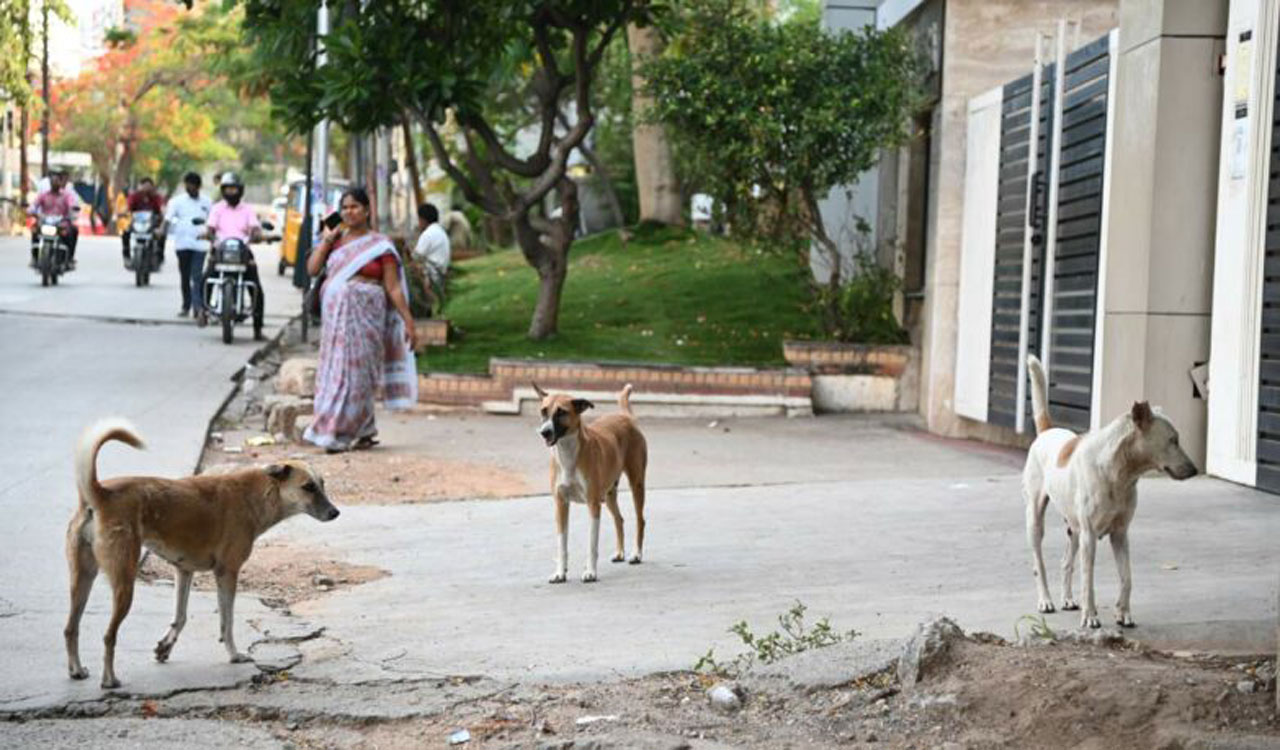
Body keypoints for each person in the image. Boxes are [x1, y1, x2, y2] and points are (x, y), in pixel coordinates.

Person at [303, 187, 419, 453]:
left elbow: (393, 288)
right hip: (336, 322)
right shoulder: (335, 240)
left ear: (367, 210)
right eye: (345, 207)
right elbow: (311, 269)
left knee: (360, 375)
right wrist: (326, 242)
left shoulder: (380, 245)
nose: (349, 212)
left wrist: (409, 322)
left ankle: (352, 430)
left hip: (367, 318)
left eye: (355, 207)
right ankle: (340, 429)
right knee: (336, 374)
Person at [201, 172, 266, 337]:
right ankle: (203, 311)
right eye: (228, 189)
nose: (231, 192)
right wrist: (208, 234)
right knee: (206, 279)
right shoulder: (217, 208)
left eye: (234, 189)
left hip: (243, 251)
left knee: (257, 288)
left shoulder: (248, 209)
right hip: (221, 250)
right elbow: (210, 228)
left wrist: (258, 235)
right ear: (223, 191)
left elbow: (255, 228)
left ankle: (257, 328)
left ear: (240, 190)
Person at [165, 172, 212, 319]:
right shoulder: (176, 201)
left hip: (201, 244)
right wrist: (161, 232)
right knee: (185, 277)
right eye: (187, 185)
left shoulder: (207, 202)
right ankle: (186, 305)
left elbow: (213, 222)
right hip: (183, 244)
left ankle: (198, 308)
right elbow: (168, 219)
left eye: (192, 185)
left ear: (198, 186)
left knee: (197, 276)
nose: (189, 187)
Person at [29, 169, 80, 269]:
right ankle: (35, 257)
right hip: (45, 222)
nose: (55, 183)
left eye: (57, 180)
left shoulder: (66, 196)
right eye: (53, 181)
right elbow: (34, 205)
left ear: (60, 182)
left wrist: (73, 209)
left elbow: (72, 205)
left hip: (61, 223)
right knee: (35, 230)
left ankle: (69, 258)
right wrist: (30, 211)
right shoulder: (44, 195)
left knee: (73, 230)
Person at [412, 202, 451, 312]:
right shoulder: (441, 232)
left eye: (418, 219)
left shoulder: (428, 234)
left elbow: (416, 257)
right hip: (440, 273)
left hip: (431, 276)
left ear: (423, 220)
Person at [122, 177, 165, 267]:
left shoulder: (156, 197)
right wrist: (123, 212)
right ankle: (127, 256)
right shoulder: (134, 196)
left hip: (153, 223)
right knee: (125, 233)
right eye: (144, 185)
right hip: (137, 223)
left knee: (162, 234)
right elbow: (127, 207)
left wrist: (163, 213)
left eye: (149, 186)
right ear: (140, 186)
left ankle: (159, 256)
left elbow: (162, 208)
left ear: (152, 187)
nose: (146, 188)